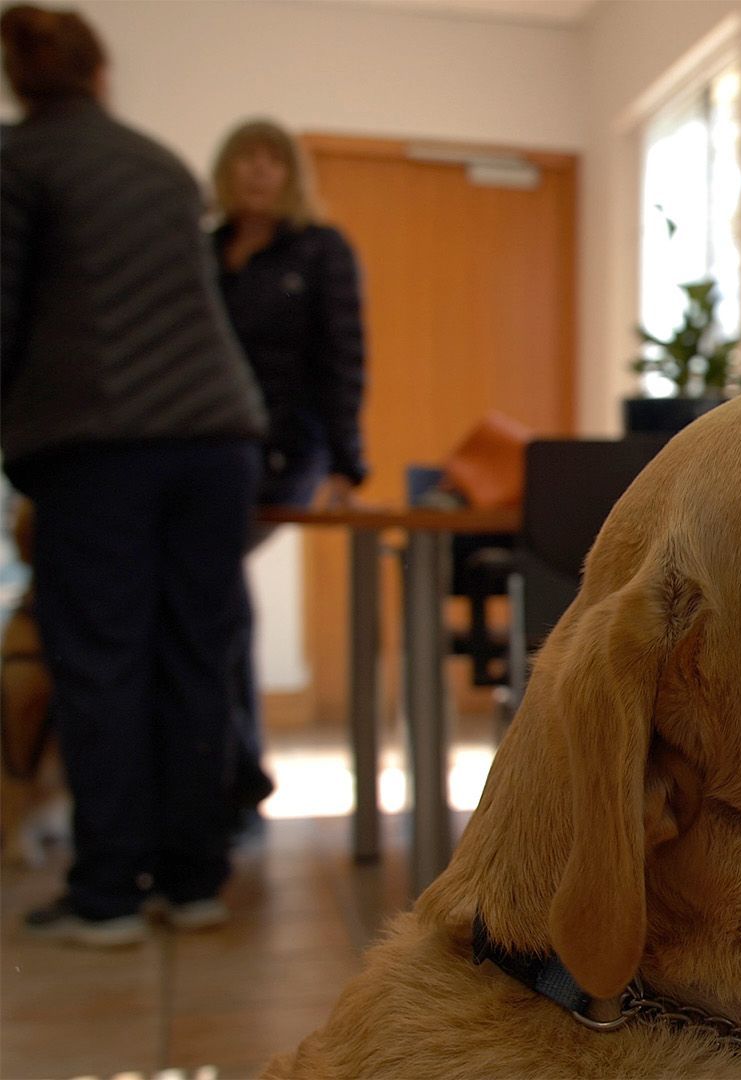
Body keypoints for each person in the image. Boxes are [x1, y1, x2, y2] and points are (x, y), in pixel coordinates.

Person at [0, 3, 267, 944]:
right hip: (217, 437)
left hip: (101, 442)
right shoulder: (159, 162)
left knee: (101, 661)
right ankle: (194, 880)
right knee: (199, 657)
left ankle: (109, 891)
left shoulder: (20, 160)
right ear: (100, 75)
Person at [207, 117, 369, 829]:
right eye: (246, 158)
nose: (259, 171)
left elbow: (343, 356)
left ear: (292, 173)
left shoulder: (321, 250)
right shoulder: (204, 253)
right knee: (206, 599)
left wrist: (346, 464)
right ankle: (225, 776)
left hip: (284, 450)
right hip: (203, 448)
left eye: (274, 159)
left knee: (205, 590)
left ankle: (235, 781)